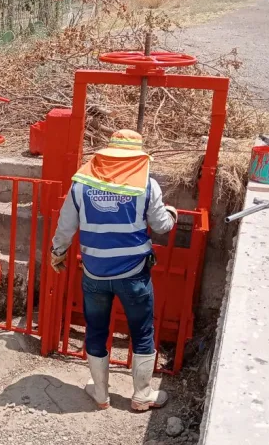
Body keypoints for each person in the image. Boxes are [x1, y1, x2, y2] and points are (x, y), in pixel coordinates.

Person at [50, 129, 178, 411]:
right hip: (134, 274)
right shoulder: (147, 185)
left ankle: (100, 394)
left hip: (94, 274)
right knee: (142, 331)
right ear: (137, 158)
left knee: (95, 330)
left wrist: (57, 253)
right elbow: (162, 226)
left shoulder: (81, 185)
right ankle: (142, 395)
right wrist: (172, 213)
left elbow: (65, 227)